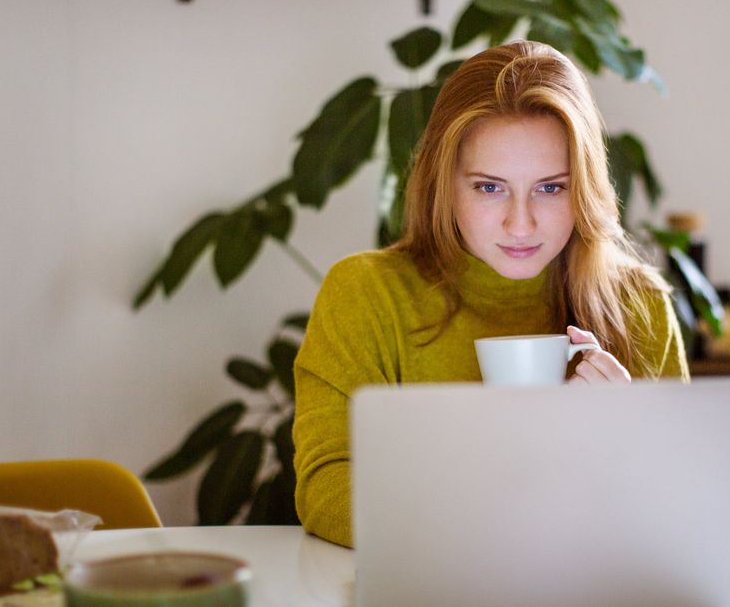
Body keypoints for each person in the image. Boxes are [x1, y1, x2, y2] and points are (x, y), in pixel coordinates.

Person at [292, 40, 688, 548]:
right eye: (488, 187)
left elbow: (677, 517)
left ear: (585, 187)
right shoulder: (366, 295)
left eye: (551, 188)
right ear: (445, 184)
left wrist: (623, 446)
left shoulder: (640, 305)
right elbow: (326, 488)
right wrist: (486, 527)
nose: (519, 223)